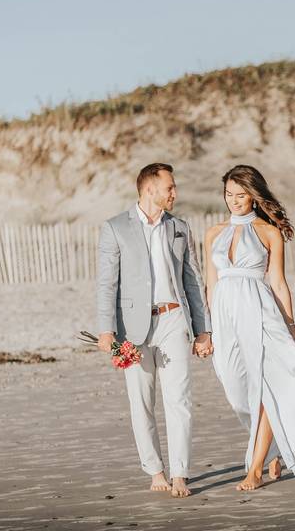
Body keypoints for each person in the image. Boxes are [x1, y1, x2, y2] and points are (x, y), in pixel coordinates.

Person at [204, 164, 295, 491]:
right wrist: (205, 330)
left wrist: (291, 328)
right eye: (229, 194)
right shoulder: (213, 233)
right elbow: (209, 284)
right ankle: (274, 446)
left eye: (241, 195)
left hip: (259, 312)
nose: (234, 201)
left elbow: (277, 282)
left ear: (254, 195)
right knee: (236, 389)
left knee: (266, 387)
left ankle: (256, 467)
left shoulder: (268, 232)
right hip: (224, 316)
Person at [96, 162, 213, 498]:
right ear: (150, 189)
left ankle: (180, 473)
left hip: (174, 319)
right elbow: (107, 283)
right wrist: (106, 331)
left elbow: (192, 278)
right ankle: (155, 470)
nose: (175, 193)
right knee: (142, 401)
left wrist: (204, 330)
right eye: (170, 188)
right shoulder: (115, 227)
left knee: (180, 399)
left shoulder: (179, 227)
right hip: (132, 329)